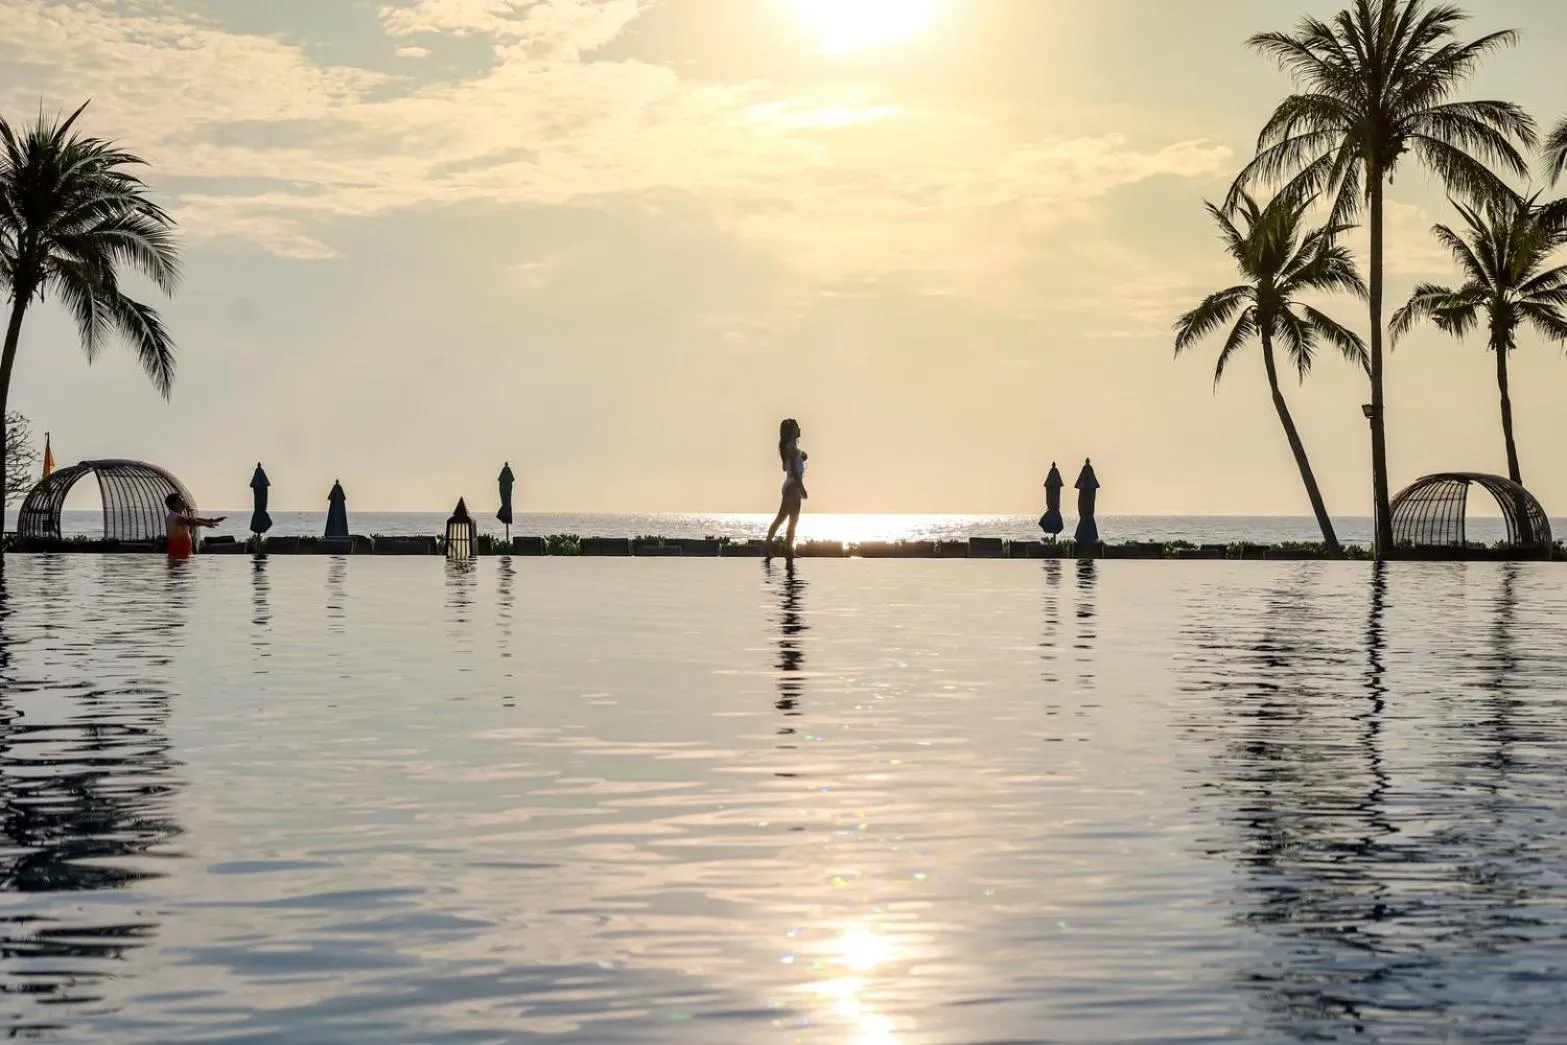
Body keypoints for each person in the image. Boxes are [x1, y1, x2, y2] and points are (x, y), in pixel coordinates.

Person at [764, 418, 808, 562]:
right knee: (782, 517)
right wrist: (801, 486)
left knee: (793, 519)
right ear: (792, 431)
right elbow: (794, 470)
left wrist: (800, 456)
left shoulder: (791, 447)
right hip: (792, 486)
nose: (800, 429)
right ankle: (768, 547)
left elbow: (785, 466)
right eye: (797, 427)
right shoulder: (790, 446)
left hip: (792, 485)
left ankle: (788, 549)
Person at [165, 493, 223, 560]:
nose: (183, 501)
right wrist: (207, 524)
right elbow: (190, 521)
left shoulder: (176, 515)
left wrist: (210, 521)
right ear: (175, 503)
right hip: (177, 556)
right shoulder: (174, 516)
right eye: (181, 500)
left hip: (182, 555)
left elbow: (193, 519)